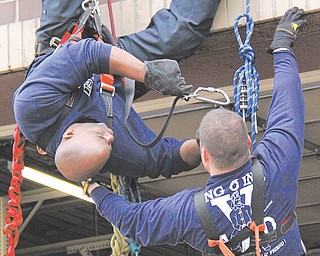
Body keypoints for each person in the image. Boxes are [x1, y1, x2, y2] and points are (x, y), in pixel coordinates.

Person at [84, 7, 307, 255]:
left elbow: (134, 222)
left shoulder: (190, 212)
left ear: (204, 157)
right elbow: (288, 105)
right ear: (247, 142)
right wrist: (282, 46)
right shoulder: (278, 165)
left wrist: (93, 188)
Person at [13, 0, 222, 182]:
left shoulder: (33, 107)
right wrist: (207, 145)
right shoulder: (117, 152)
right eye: (110, 144)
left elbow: (87, 54)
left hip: (66, 45)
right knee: (182, 35)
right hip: (113, 81)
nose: (111, 135)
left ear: (69, 135)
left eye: (100, 135)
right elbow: (168, 158)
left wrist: (148, 73)